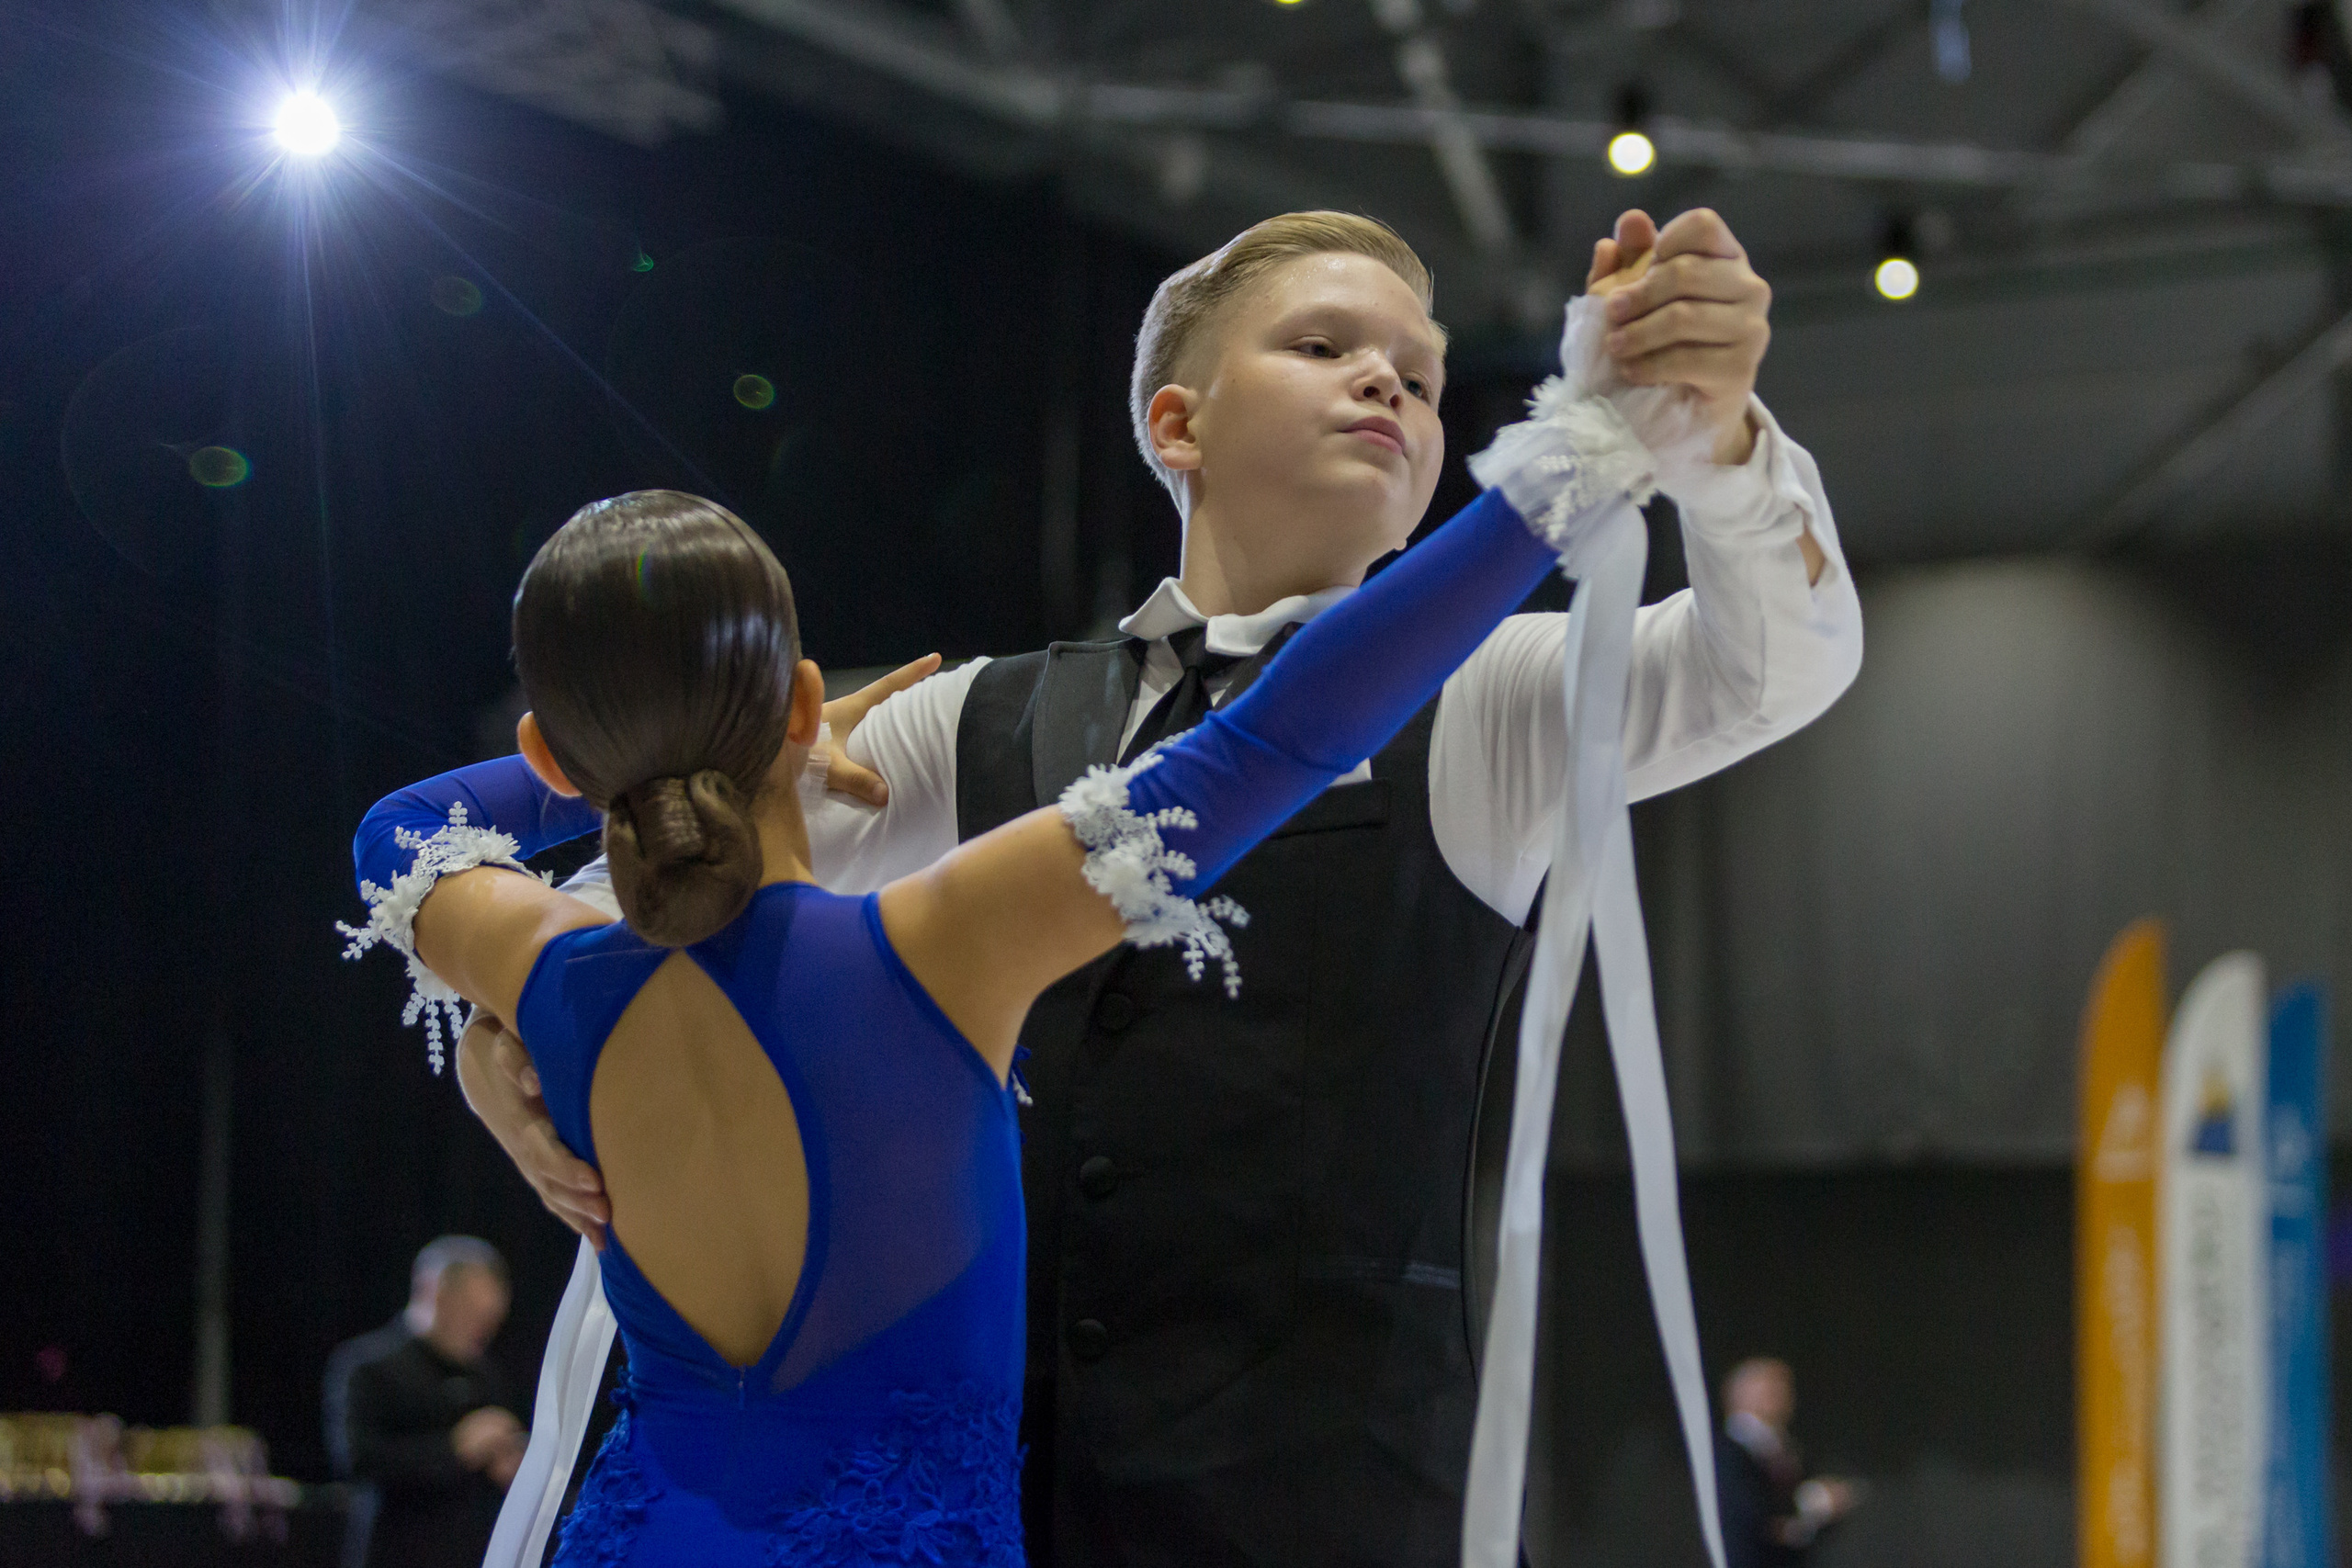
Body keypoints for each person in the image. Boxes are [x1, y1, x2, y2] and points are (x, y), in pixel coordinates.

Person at [464, 206, 1863, 1565]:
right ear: (1175, 424)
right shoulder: (962, 720)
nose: (1389, 377)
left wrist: (1724, 445)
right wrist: (499, 1039)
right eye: (1323, 344)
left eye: (1425, 375)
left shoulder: (1497, 694)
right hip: (976, 1505)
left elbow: (1772, 666)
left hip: (1325, 1504)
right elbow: (650, 891)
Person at [323, 1235, 526, 1568]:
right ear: (434, 1294)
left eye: (491, 1321)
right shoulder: (369, 1366)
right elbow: (359, 1461)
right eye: (471, 1314)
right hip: (396, 1550)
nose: (482, 1332)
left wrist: (511, 1463)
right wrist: (456, 1448)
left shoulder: (486, 1375)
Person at [1714, 1358, 1860, 1568]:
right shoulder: (1728, 1451)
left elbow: (1803, 1531)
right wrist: (1815, 1499)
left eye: (1784, 1389)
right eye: (1770, 1389)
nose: (1782, 1396)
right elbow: (1750, 1514)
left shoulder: (1787, 1448)